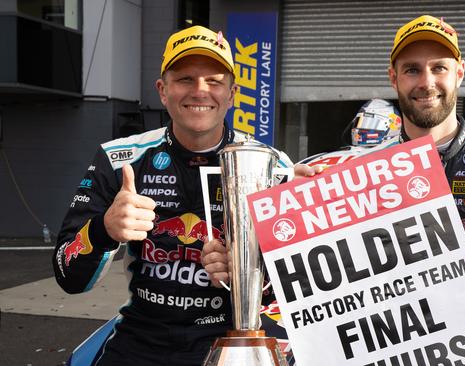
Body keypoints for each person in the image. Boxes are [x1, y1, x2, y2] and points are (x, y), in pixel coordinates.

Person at [297, 15, 465, 366]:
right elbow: (319, 284)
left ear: (460, 72)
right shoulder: (358, 174)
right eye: (412, 69)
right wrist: (298, 208)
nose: (426, 82)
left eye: (439, 68)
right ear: (393, 77)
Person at [52, 25, 292, 365]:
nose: (199, 91)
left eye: (214, 80)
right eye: (185, 79)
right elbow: (67, 276)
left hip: (233, 336)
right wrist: (104, 229)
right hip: (142, 335)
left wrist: (248, 276)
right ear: (163, 91)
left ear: (232, 93)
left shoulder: (273, 166)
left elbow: (296, 285)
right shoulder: (119, 157)